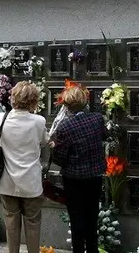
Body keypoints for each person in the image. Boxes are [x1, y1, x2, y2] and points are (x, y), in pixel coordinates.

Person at [0, 81, 49, 253]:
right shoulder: (39, 121)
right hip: (31, 182)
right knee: (33, 223)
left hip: (7, 181)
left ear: (13, 98)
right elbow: (45, 142)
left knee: (11, 225)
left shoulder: (0, 119)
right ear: (34, 100)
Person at [50, 86, 105, 253]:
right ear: (84, 101)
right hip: (95, 176)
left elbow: (60, 158)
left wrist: (54, 147)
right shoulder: (97, 119)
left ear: (66, 105)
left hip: (73, 179)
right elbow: (103, 137)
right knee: (92, 217)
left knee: (76, 220)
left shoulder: (64, 127)